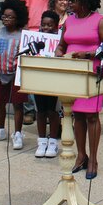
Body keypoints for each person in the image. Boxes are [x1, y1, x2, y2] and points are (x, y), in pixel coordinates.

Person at [55, 0, 103, 179]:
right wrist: (58, 52)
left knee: (91, 116)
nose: (69, 2)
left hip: (92, 72)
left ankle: (94, 159)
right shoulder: (69, 21)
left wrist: (88, 54)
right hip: (71, 72)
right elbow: (62, 45)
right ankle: (81, 156)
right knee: (76, 115)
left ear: (85, 1)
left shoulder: (100, 21)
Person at [0, 0, 32, 151]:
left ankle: (18, 133)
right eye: (4, 16)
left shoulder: (24, 34)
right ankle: (0, 130)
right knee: (0, 103)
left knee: (18, 104)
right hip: (2, 72)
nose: (6, 19)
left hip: (17, 74)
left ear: (18, 18)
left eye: (10, 17)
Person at [34, 10, 62, 157]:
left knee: (52, 111)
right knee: (40, 111)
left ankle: (52, 142)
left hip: (54, 80)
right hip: (38, 79)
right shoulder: (34, 39)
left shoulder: (59, 40)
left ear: (56, 26)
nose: (46, 28)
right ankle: (42, 141)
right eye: (44, 25)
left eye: (50, 25)